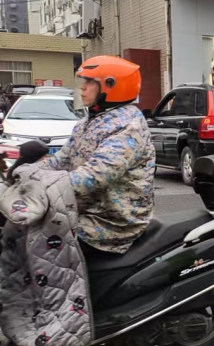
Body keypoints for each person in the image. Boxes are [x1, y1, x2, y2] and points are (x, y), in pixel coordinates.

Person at [39, 56, 155, 254]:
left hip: (111, 224)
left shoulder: (128, 125)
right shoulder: (88, 122)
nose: (82, 88)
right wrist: (26, 175)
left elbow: (93, 176)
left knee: (42, 249)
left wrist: (43, 190)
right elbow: (62, 160)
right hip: (83, 212)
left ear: (111, 86)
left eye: (89, 83)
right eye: (82, 82)